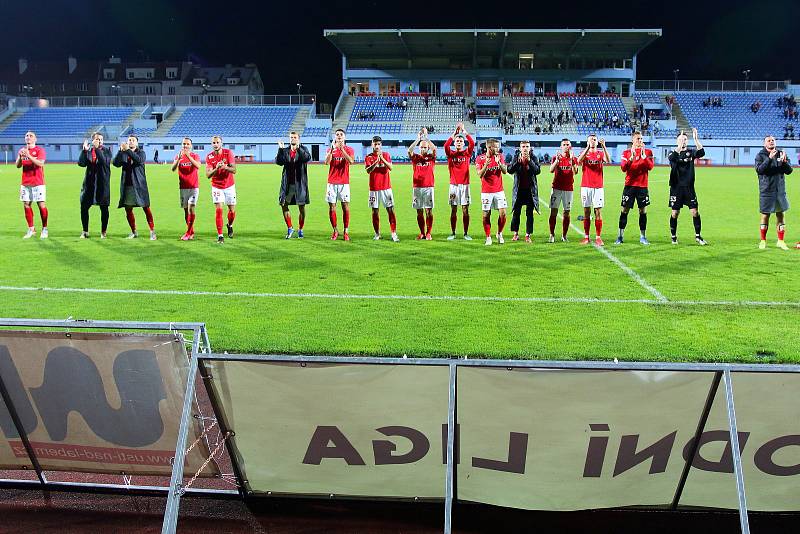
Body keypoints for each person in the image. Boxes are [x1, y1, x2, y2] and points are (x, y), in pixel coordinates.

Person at [668, 129, 707, 245]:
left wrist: (696, 139)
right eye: (680, 139)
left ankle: (698, 236)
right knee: (675, 213)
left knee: (695, 212)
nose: (683, 141)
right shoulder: (672, 153)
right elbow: (672, 158)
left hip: (689, 188)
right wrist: (679, 146)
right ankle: (673, 237)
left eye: (685, 139)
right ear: (677, 141)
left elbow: (701, 152)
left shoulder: (691, 152)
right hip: (676, 188)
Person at [615, 131, 654, 245]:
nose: (640, 141)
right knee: (624, 210)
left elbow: (650, 167)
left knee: (643, 211)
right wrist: (630, 159)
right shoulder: (626, 152)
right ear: (633, 140)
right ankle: (620, 236)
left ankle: (643, 236)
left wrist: (644, 157)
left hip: (642, 186)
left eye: (641, 139)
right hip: (629, 186)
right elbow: (623, 168)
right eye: (638, 139)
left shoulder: (648, 152)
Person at [755, 135, 793, 250]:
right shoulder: (760, 155)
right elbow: (760, 170)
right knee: (765, 215)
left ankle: (780, 241)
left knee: (780, 215)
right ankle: (763, 241)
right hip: (766, 190)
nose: (771, 142)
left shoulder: (781, 153)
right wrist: (769, 159)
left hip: (780, 191)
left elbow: (789, 171)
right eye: (769, 140)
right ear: (764, 144)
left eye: (773, 140)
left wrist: (785, 162)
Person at [114, 135, 155, 240]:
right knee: (128, 209)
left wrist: (127, 150)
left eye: (133, 140)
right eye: (129, 140)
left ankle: (152, 232)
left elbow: (138, 160)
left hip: (139, 185)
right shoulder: (123, 153)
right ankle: (134, 232)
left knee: (145, 207)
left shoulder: (141, 153)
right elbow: (115, 163)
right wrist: (120, 151)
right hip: (127, 185)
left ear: (137, 143)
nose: (131, 142)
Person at [276, 131, 311, 239]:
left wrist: (298, 148)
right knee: (283, 205)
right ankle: (290, 228)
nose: (292, 139)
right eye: (291, 137)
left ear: (299, 139)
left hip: (300, 184)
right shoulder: (285, 150)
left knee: (301, 207)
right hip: (287, 184)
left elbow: (307, 158)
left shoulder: (303, 149)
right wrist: (280, 150)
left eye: (295, 137)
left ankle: (301, 229)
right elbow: (279, 162)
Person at [577, 134, 610, 246]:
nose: (593, 141)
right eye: (591, 140)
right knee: (586, 212)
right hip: (585, 186)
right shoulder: (584, 153)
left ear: (597, 142)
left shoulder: (600, 154)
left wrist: (604, 147)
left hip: (598, 187)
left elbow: (608, 160)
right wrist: (587, 148)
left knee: (598, 211)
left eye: (594, 140)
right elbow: (578, 161)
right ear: (587, 142)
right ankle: (586, 237)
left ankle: (598, 237)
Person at [444, 122, 475, 240]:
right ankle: (453, 233)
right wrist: (454, 134)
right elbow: (446, 145)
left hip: (465, 186)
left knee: (465, 209)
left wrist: (464, 132)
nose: (459, 142)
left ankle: (466, 233)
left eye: (461, 141)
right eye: (457, 141)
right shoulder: (450, 154)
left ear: (463, 143)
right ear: (454, 143)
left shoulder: (467, 153)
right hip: (453, 186)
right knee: (453, 209)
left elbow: (472, 143)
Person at [364, 136, 399, 242]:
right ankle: (377, 233)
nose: (377, 146)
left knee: (390, 210)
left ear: (381, 145)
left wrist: (382, 159)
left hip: (386, 188)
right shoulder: (368, 157)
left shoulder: (386, 155)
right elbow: (368, 170)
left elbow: (390, 167)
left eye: (379, 144)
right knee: (375, 211)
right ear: (372, 145)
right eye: (375, 144)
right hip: (374, 188)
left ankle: (393, 233)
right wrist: (376, 162)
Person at [77, 132, 112, 238]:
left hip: (102, 183)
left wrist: (97, 149)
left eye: (101, 139)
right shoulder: (88, 151)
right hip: (89, 183)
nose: (99, 141)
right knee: (84, 207)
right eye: (97, 139)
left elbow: (104, 161)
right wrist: (84, 151)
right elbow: (81, 164)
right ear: (93, 141)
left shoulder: (107, 151)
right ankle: (85, 231)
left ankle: (103, 232)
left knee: (104, 208)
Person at [475, 139, 508, 245]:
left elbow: (505, 171)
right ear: (489, 147)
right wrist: (486, 165)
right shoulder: (480, 158)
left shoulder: (500, 157)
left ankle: (499, 233)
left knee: (503, 214)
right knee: (486, 215)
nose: (498, 149)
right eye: (496, 147)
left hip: (499, 190)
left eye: (498, 147)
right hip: (486, 191)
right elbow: (479, 174)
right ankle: (488, 236)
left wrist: (499, 163)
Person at [16, 131, 48, 239]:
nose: (28, 137)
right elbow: (17, 165)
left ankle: (44, 229)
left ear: (35, 139)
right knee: (26, 204)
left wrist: (29, 155)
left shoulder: (40, 150)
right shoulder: (21, 150)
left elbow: (40, 163)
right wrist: (21, 157)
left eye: (31, 136)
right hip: (25, 182)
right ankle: (31, 229)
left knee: (41, 206)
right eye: (26, 136)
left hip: (38, 182)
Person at [507, 140, 540, 243]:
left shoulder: (534, 157)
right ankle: (515, 233)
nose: (525, 148)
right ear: (520, 148)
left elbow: (537, 171)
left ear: (530, 148)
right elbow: (510, 170)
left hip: (530, 191)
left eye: (527, 146)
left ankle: (527, 235)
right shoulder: (516, 157)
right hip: (519, 190)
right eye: (523, 146)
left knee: (529, 214)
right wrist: (518, 162)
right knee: (516, 213)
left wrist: (529, 161)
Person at [206, 135, 237, 244]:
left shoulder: (228, 153)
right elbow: (208, 175)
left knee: (232, 212)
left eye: (217, 142)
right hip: (217, 186)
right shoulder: (209, 157)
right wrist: (216, 168)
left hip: (229, 186)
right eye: (213, 143)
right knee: (219, 210)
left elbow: (234, 170)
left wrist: (225, 167)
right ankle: (220, 235)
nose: (215, 144)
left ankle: (230, 225)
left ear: (221, 143)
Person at [325, 128, 355, 241]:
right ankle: (335, 230)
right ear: (335, 137)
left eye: (341, 134)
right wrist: (331, 150)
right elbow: (326, 162)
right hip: (331, 182)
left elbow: (351, 161)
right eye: (337, 134)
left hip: (344, 183)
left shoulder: (349, 149)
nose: (339, 136)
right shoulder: (330, 149)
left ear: (344, 137)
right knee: (332, 207)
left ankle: (346, 231)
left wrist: (342, 150)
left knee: (345, 206)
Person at [408, 128, 436, 240]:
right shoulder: (416, 158)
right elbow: (410, 150)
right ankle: (422, 233)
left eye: (425, 147)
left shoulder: (431, 157)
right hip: (417, 188)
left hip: (428, 187)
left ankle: (429, 233)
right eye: (421, 147)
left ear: (427, 148)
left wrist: (426, 138)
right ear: (419, 148)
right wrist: (418, 139)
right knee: (419, 211)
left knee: (428, 210)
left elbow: (434, 149)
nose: (423, 149)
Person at [548, 139, 578, 243]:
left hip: (568, 189)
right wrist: (557, 161)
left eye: (568, 145)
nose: (566, 146)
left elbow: (576, 171)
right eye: (564, 145)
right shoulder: (556, 158)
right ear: (561, 147)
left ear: (571, 147)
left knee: (567, 212)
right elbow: (551, 170)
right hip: (556, 188)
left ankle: (564, 236)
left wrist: (572, 161)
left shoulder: (573, 158)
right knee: (554, 211)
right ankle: (551, 234)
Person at [171, 137, 201, 240]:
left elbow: (198, 166)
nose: (185, 146)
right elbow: (173, 169)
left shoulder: (195, 155)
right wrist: (179, 159)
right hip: (183, 187)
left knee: (191, 208)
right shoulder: (178, 156)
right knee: (185, 211)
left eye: (188, 144)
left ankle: (188, 233)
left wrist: (188, 156)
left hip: (193, 187)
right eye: (184, 144)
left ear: (191, 146)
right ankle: (191, 231)